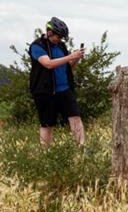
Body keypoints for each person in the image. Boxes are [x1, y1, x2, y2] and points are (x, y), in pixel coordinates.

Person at [28, 17, 85, 146]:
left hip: (65, 89)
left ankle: (81, 148)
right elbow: (48, 64)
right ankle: (46, 152)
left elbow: (67, 65)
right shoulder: (37, 46)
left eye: (62, 37)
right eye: (58, 36)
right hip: (45, 91)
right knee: (47, 124)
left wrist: (76, 58)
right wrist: (70, 56)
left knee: (75, 117)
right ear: (49, 33)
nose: (60, 39)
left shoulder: (61, 46)